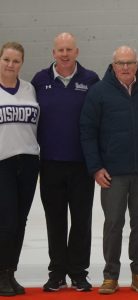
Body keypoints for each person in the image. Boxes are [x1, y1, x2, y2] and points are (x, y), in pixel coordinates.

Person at [80, 46, 138, 294]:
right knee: (113, 223)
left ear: (137, 64)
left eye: (130, 62)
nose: (125, 67)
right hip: (112, 173)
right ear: (113, 65)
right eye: (120, 63)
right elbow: (88, 132)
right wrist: (95, 168)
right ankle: (110, 275)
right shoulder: (99, 92)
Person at [31, 32, 99, 292]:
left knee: (81, 220)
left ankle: (79, 272)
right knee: (55, 220)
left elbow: (98, 119)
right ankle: (57, 272)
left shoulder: (90, 79)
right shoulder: (39, 80)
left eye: (69, 49)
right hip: (49, 164)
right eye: (60, 50)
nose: (65, 54)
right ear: (53, 53)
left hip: (82, 165)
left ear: (77, 52)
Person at [0, 42, 40, 296]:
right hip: (2, 162)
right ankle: (1, 272)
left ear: (22, 63)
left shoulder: (29, 89)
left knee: (21, 221)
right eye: (6, 59)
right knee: (6, 221)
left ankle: (10, 272)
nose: (10, 65)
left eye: (15, 61)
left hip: (28, 162)